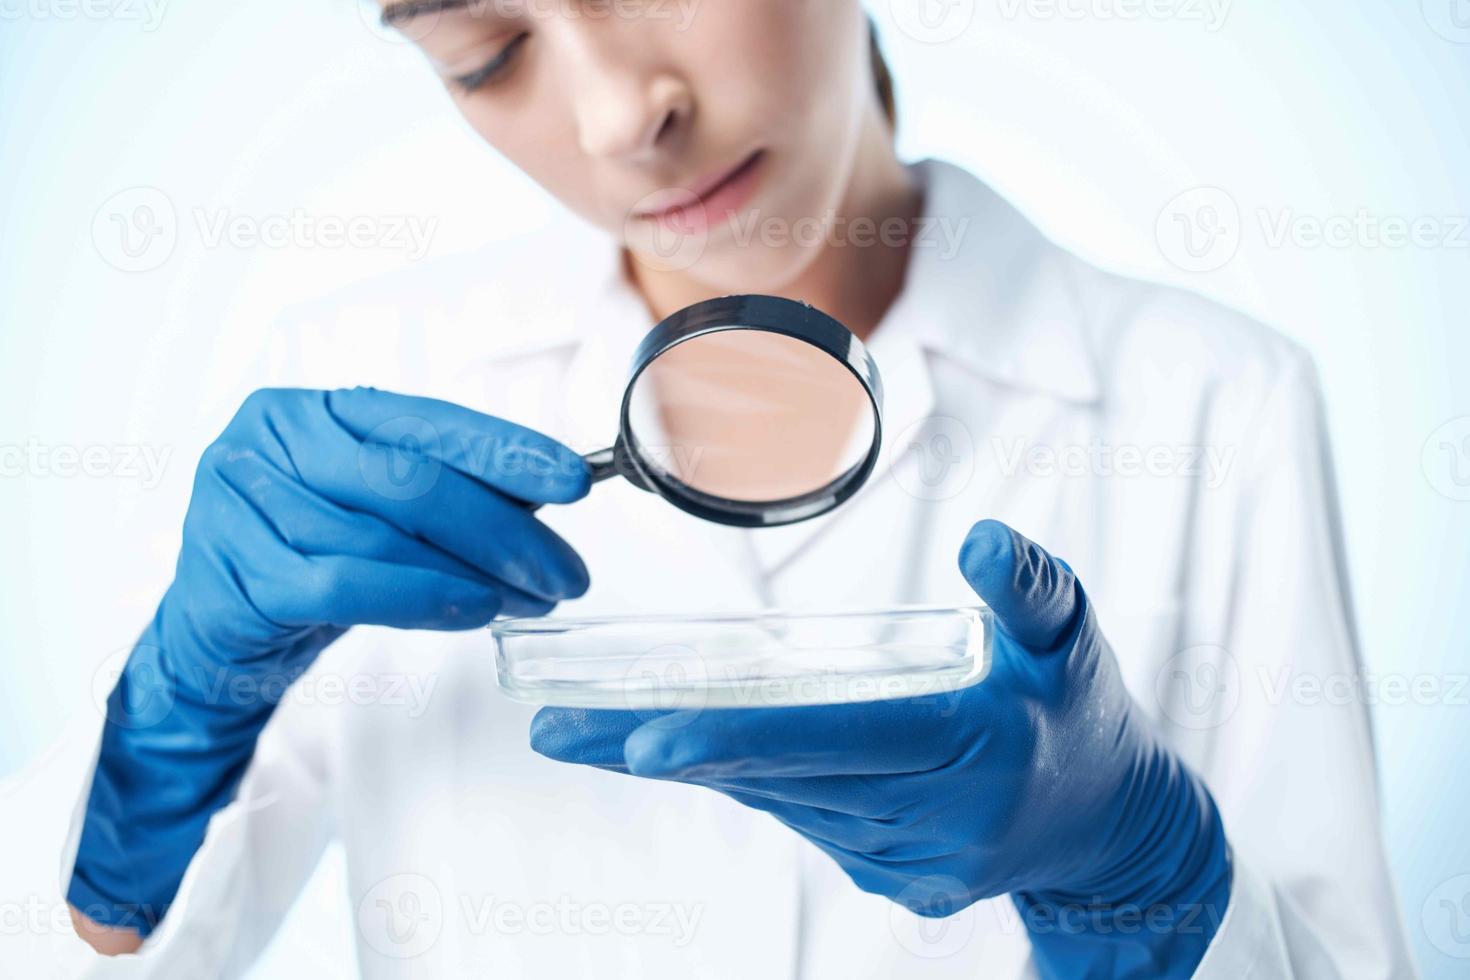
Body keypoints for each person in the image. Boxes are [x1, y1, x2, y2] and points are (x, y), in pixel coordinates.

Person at [62, 2, 1414, 976]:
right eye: (491, 55)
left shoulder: (1211, 399)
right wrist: (170, 724)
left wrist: (1139, 892)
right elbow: (94, 953)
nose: (617, 115)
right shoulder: (351, 383)